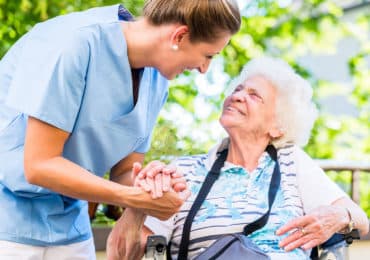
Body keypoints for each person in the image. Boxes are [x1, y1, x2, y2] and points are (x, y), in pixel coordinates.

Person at [0, 1, 241, 259]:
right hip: (8, 219)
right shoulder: (74, 43)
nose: (204, 70)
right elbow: (39, 165)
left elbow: (124, 172)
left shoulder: (156, 81)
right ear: (179, 36)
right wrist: (133, 198)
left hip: (69, 225)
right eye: (208, 56)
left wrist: (154, 186)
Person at [121, 57, 369, 259]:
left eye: (254, 95)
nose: (237, 96)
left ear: (277, 127)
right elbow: (123, 255)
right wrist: (137, 207)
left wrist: (339, 217)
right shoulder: (184, 171)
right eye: (238, 89)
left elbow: (360, 221)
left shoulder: (292, 162)